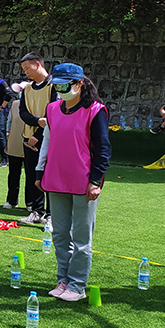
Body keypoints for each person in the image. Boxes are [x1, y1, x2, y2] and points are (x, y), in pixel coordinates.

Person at [35, 63, 111, 302]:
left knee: (81, 238)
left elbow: (103, 148)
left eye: (64, 85)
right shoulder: (52, 109)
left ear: (79, 84)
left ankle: (78, 285)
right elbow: (47, 141)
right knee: (59, 235)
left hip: (83, 181)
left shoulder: (95, 110)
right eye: (56, 85)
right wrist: (39, 172)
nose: (60, 89)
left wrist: (96, 181)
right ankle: (63, 279)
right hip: (55, 179)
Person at [17, 53, 55, 225]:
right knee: (32, 175)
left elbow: (54, 114)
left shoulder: (54, 86)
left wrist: (38, 135)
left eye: (27, 68)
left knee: (49, 175)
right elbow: (23, 112)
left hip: (49, 138)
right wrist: (36, 122)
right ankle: (37, 211)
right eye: (23, 69)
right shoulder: (27, 89)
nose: (26, 72)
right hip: (28, 138)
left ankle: (51, 214)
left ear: (38, 64)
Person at [3, 82, 29, 209]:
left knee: (31, 174)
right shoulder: (14, 104)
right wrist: (8, 135)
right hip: (14, 141)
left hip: (30, 142)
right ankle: (12, 200)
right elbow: (10, 121)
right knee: (13, 173)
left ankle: (31, 202)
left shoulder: (35, 104)